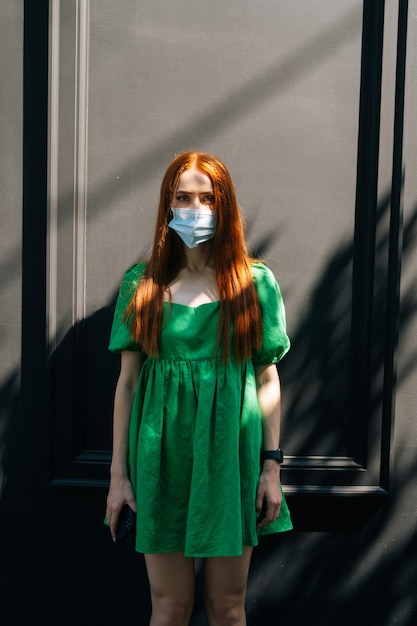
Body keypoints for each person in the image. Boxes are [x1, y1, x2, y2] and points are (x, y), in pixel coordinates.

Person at [105, 151, 292, 626]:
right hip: (160, 457)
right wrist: (117, 477)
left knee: (228, 609)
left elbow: (268, 378)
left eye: (207, 198)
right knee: (169, 609)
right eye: (183, 197)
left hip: (231, 458)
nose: (195, 208)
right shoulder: (141, 285)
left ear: (224, 205)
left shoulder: (254, 284)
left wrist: (271, 470)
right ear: (167, 204)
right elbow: (126, 385)